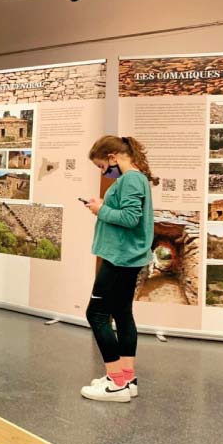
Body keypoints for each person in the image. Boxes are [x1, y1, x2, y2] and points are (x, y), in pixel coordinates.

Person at [80, 135, 157, 403]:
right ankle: (126, 378)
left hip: (120, 257)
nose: (104, 172)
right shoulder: (135, 179)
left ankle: (116, 383)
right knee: (122, 314)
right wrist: (102, 206)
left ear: (113, 157)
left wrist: (100, 209)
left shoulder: (131, 179)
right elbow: (127, 212)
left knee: (97, 314)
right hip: (126, 256)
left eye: (102, 166)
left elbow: (130, 218)